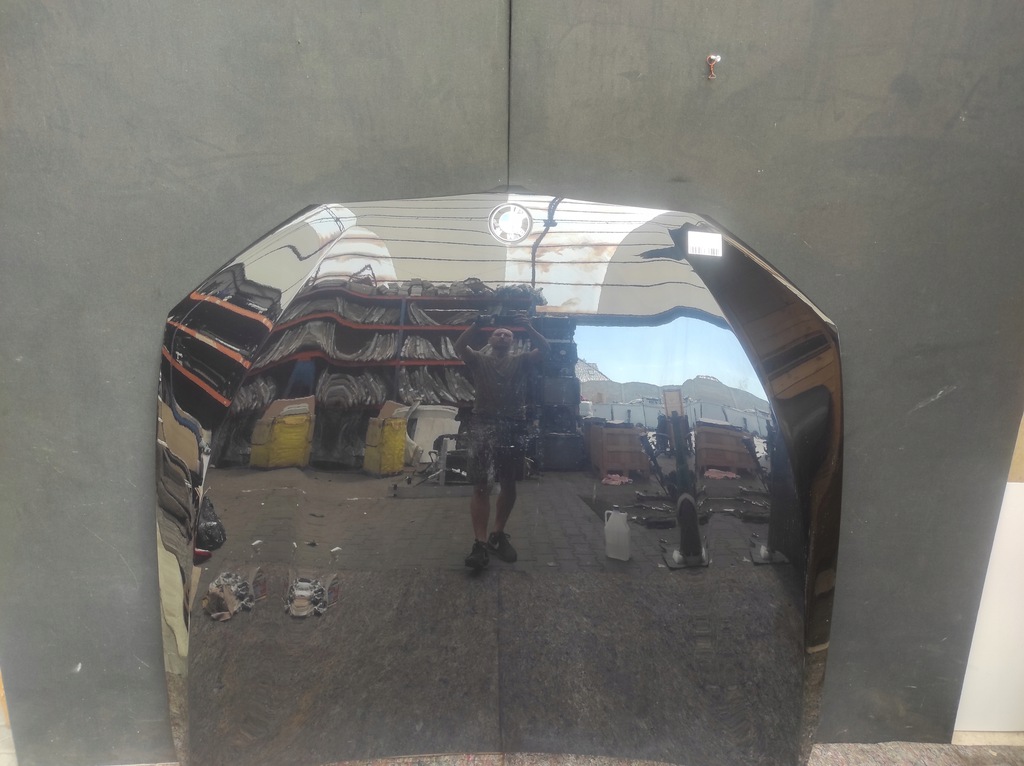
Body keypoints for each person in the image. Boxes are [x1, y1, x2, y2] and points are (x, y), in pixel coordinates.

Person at [454, 312, 550, 570]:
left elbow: (545, 349)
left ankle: (497, 534)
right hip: (483, 423)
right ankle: (480, 542)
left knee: (509, 483)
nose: (503, 336)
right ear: (491, 339)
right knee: (481, 485)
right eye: (498, 333)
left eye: (508, 335)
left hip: (513, 425)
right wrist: (476, 325)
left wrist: (529, 327)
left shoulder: (521, 361)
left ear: (512, 342)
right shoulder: (479, 360)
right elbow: (459, 347)